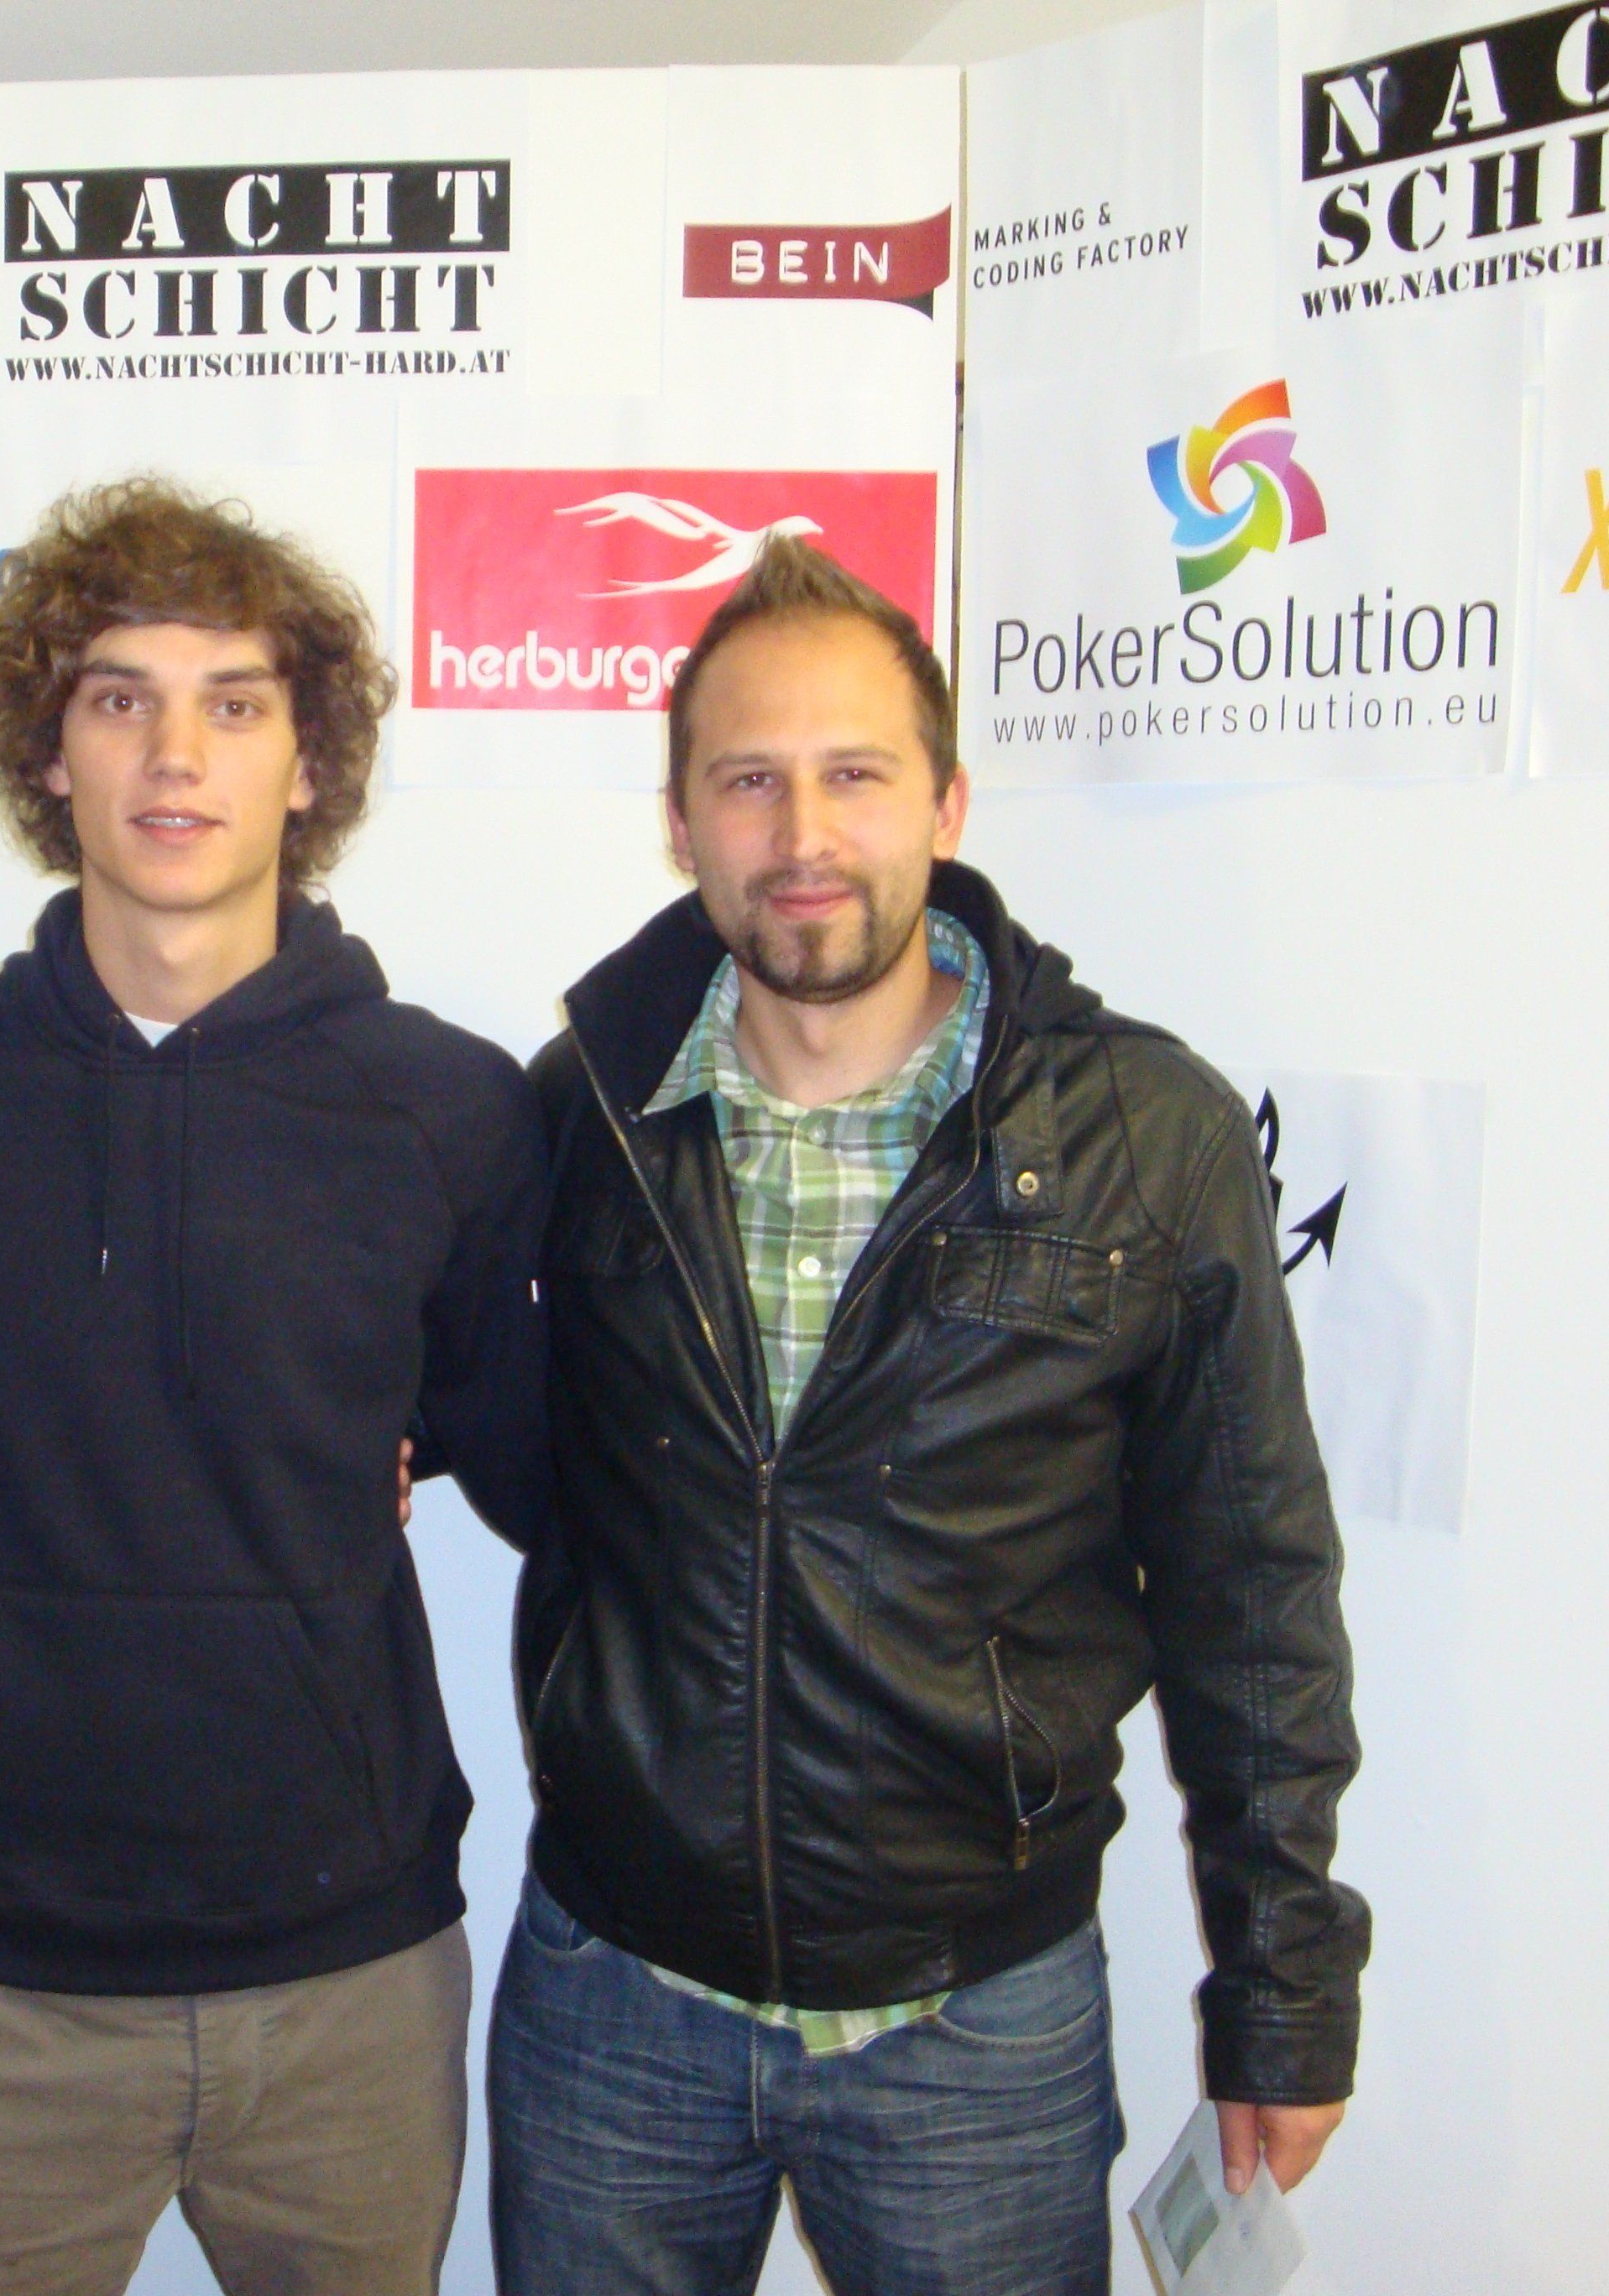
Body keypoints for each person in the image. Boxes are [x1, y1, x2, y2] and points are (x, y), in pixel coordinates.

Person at [491, 537, 1367, 2295]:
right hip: (613, 2004)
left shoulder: (1146, 1138)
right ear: (680, 822)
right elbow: (484, 1426)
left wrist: (1286, 1996)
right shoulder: (581, 1115)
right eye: (749, 781)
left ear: (949, 804)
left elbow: (1251, 1588)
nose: (802, 834)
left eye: (857, 774)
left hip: (976, 2028)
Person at [0, 477, 550, 2296]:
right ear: (46, 750)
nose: (175, 753)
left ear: (310, 763)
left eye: (234, 702)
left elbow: (500, 1437)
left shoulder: (447, 1105)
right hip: (4, 1993)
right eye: (119, 697)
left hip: (354, 1986)